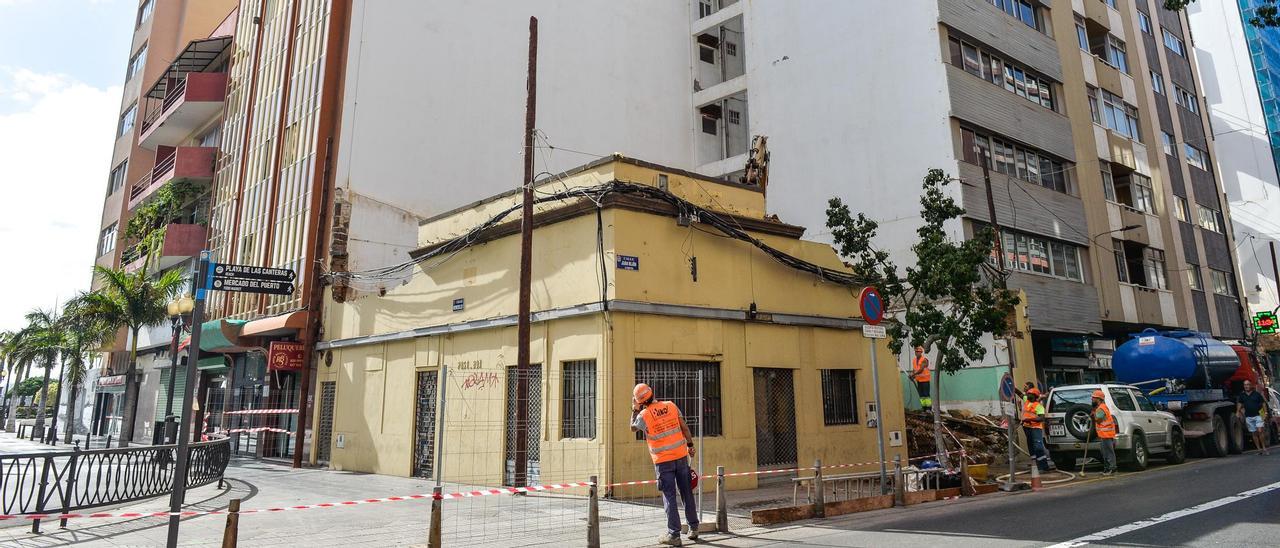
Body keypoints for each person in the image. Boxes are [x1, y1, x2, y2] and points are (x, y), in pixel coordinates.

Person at [631, 383, 699, 546]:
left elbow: (633, 428)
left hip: (663, 462)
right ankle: (694, 527)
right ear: (652, 393)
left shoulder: (644, 415)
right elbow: (684, 428)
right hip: (681, 456)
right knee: (686, 492)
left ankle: (674, 535)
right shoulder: (671, 405)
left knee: (669, 496)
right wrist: (690, 445)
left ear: (640, 401)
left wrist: (634, 409)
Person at [1237, 379, 1269, 456]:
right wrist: (1237, 411)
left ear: (1250, 385)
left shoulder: (1256, 394)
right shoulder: (1242, 395)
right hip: (1249, 416)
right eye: (1245, 385)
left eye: (1248, 385)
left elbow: (1263, 403)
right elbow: (1240, 404)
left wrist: (1265, 412)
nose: (1246, 386)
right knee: (1253, 433)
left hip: (1258, 415)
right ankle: (1259, 449)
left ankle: (1264, 448)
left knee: (1260, 430)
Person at [1022, 388, 1051, 472]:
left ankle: (1043, 466)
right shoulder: (1026, 401)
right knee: (1031, 447)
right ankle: (1035, 466)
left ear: (1034, 396)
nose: (1027, 395)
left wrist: (1029, 420)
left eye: (1029, 394)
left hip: (1035, 428)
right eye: (1027, 394)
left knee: (1038, 447)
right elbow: (1020, 394)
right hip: (1027, 427)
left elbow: (1041, 418)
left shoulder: (1038, 406)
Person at [1091, 389, 1117, 475]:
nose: (1092, 399)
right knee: (1105, 452)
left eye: (1093, 398)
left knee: (1108, 453)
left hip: (1106, 435)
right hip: (1105, 435)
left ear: (1098, 399)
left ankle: (1111, 469)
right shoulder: (1101, 407)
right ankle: (1107, 469)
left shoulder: (1101, 408)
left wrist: (1094, 415)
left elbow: (1098, 420)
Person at [910, 346, 932, 411]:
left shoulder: (924, 360)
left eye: (918, 352)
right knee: (921, 395)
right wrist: (913, 376)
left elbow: (921, 369)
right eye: (916, 352)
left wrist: (913, 374)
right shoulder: (914, 360)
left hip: (925, 380)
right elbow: (914, 369)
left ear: (921, 352)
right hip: (919, 380)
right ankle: (924, 407)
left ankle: (928, 408)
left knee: (926, 394)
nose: (917, 353)